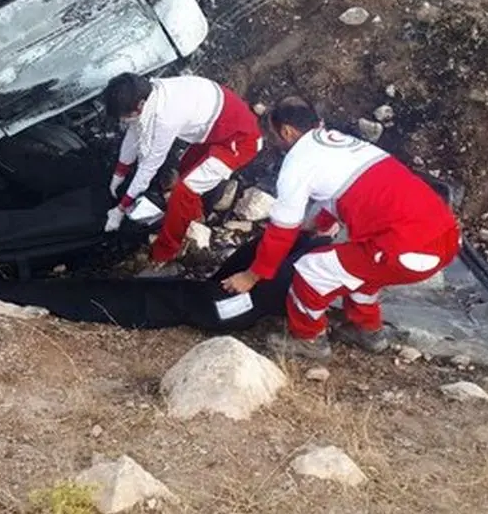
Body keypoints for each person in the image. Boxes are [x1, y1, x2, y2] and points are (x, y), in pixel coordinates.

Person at [220, 97, 460, 361]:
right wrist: (318, 225)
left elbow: (281, 232)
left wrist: (251, 276)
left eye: (276, 135)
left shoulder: (298, 163)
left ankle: (310, 338)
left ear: (286, 131)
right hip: (444, 237)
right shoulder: (343, 143)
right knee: (363, 272)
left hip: (405, 247)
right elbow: (340, 193)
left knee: (313, 270)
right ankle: (368, 331)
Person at [102, 72, 262, 273]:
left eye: (124, 116)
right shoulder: (149, 92)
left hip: (238, 141)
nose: (124, 120)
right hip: (216, 128)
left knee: (183, 192)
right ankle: (194, 217)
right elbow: (134, 132)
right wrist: (120, 173)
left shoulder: (166, 117)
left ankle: (165, 252)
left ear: (140, 106)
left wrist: (121, 208)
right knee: (185, 170)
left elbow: (150, 165)